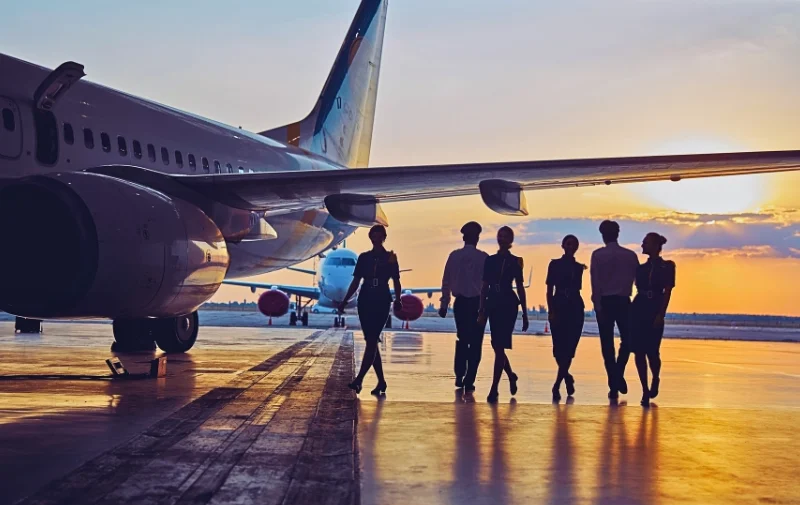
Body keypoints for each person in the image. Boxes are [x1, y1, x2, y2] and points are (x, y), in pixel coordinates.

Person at [339, 225, 402, 395]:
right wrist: (345, 300)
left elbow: (396, 281)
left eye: (380, 234)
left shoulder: (390, 257)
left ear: (384, 237)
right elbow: (356, 281)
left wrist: (398, 299)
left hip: (381, 298)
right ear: (370, 237)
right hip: (365, 298)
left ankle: (359, 380)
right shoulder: (363, 258)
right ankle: (381, 382)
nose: (377, 237)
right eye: (374, 234)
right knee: (371, 342)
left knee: (372, 340)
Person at [479, 226, 529, 403]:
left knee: (500, 346)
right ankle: (511, 375)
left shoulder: (516, 261)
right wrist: (482, 309)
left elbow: (521, 287)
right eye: (500, 235)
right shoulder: (490, 260)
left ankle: (494, 388)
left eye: (506, 235)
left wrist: (525, 312)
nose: (502, 237)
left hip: (508, 303)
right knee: (497, 345)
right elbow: (484, 286)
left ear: (511, 240)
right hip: (493, 302)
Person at [590, 220, 639, 400]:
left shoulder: (597, 255)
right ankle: (618, 373)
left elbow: (595, 283)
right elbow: (637, 281)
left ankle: (614, 378)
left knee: (607, 344)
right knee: (627, 341)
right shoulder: (630, 255)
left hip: (605, 302)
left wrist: (597, 306)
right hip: (624, 302)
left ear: (603, 235)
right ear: (618, 234)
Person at [439, 221, 489, 392]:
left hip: (460, 303)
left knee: (462, 340)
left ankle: (460, 375)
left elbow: (446, 281)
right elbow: (486, 285)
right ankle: (470, 379)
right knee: (476, 343)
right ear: (477, 238)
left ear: (463, 237)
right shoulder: (484, 258)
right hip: (478, 304)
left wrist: (444, 304)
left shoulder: (454, 256)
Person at [631, 233, 675, 407]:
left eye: (646, 243)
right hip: (639, 307)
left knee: (653, 351)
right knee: (638, 351)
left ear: (656, 245)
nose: (642, 245)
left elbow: (668, 291)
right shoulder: (640, 269)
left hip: (655, 306)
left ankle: (655, 377)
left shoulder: (667, 267)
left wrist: (660, 314)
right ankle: (644, 390)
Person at [546, 235, 586, 401]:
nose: (571, 247)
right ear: (563, 245)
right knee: (558, 349)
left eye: (574, 244)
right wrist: (551, 310)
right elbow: (549, 290)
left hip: (575, 307)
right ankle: (566, 376)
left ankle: (556, 384)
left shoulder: (578, 268)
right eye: (568, 244)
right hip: (559, 305)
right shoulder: (554, 265)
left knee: (569, 349)